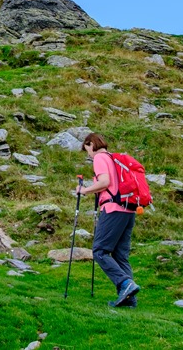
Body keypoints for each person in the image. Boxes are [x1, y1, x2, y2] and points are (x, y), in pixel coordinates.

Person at [76, 132, 140, 308]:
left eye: (87, 150)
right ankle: (129, 300)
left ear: (91, 144)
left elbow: (104, 182)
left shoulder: (100, 158)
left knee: (99, 250)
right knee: (120, 255)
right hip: (128, 210)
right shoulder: (114, 158)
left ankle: (125, 284)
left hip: (113, 209)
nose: (89, 155)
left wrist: (84, 190)